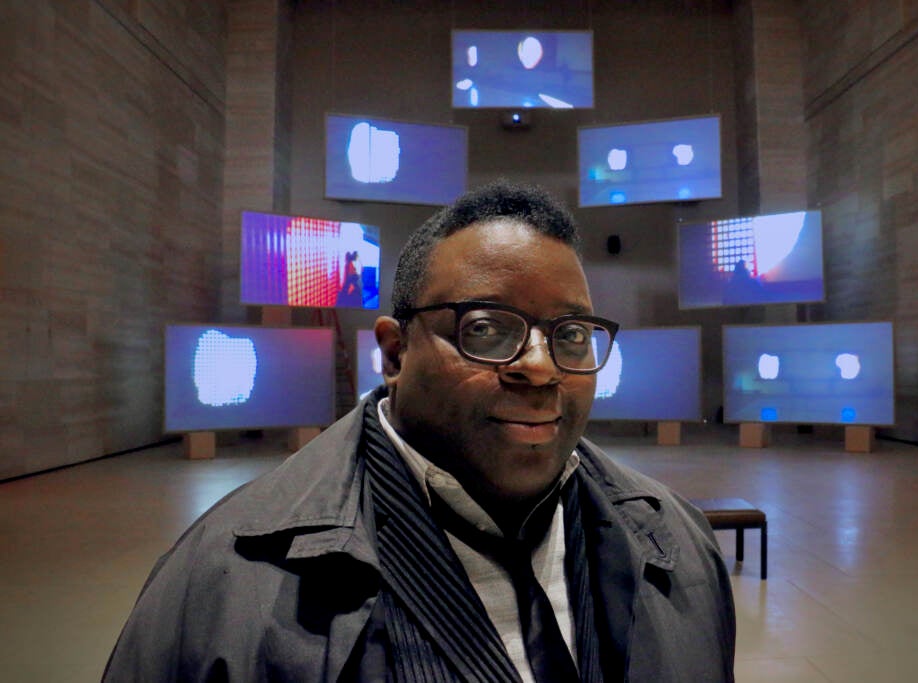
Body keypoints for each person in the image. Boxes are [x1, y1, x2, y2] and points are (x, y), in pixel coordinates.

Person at [104, 181, 736, 682]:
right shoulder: (225, 580)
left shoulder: (677, 541)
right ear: (396, 352)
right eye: (486, 328)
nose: (541, 367)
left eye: (570, 335)